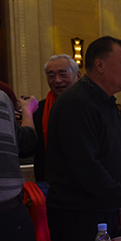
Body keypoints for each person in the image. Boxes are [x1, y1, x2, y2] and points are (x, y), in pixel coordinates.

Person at [45, 36, 121, 241]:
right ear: (100, 65)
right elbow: (85, 165)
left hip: (101, 207)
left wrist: (117, 203)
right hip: (78, 213)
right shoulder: (77, 102)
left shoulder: (105, 101)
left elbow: (110, 156)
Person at [0, 84, 38, 241]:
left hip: (9, 217)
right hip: (8, 216)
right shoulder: (2, 98)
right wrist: (27, 112)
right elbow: (26, 143)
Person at [33, 54, 81, 183]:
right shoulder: (39, 109)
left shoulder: (90, 106)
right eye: (51, 76)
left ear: (78, 75)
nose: (57, 80)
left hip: (84, 181)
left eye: (63, 74)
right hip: (49, 182)